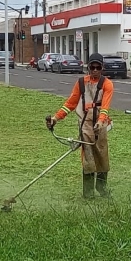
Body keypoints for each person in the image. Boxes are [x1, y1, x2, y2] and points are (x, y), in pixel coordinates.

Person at [46, 53, 114, 198]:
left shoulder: (107, 84)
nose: (95, 70)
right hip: (85, 125)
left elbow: (105, 106)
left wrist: (101, 121)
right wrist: (56, 118)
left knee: (102, 156)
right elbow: (70, 104)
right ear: (88, 67)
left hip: (100, 126)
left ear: (102, 68)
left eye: (98, 67)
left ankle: (102, 189)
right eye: (92, 67)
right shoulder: (81, 83)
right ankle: (88, 194)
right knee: (88, 158)